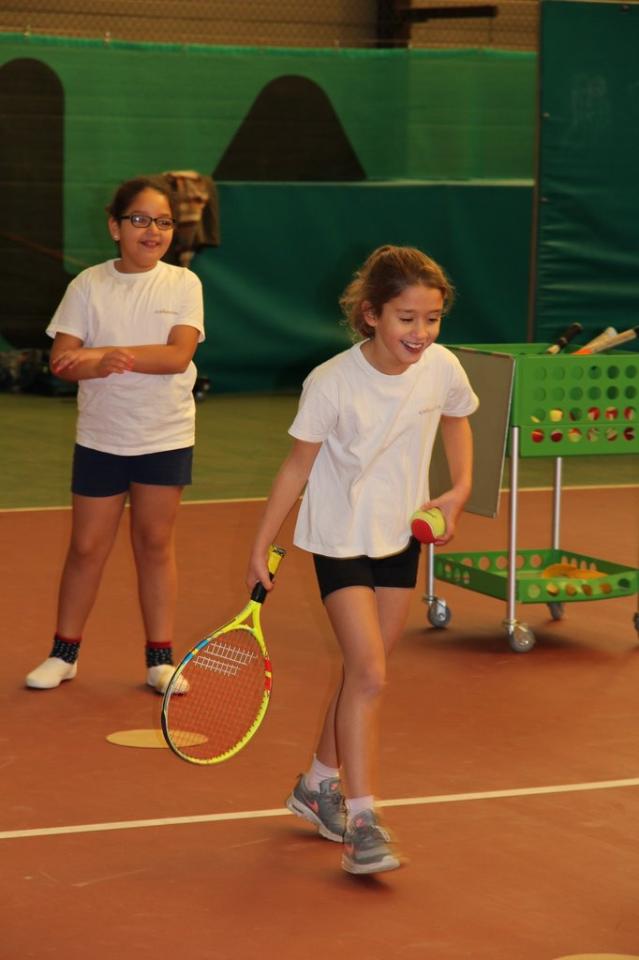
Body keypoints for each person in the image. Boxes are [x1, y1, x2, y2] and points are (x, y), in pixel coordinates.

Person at [246, 245, 478, 875]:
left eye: (432, 318)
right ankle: (363, 824)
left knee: (363, 674)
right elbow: (297, 465)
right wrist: (261, 544)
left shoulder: (442, 367)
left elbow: (458, 419)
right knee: (371, 675)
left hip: (401, 537)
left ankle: (318, 785)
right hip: (339, 539)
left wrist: (457, 491)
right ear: (372, 314)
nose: (421, 332)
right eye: (407, 318)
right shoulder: (332, 382)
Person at [25, 176, 205, 694]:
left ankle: (160, 661)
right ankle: (63, 654)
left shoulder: (184, 284)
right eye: (140, 220)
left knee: (155, 543)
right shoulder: (87, 285)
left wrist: (104, 355)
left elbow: (178, 356)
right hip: (101, 438)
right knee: (86, 547)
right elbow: (63, 360)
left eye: (164, 222)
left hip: (165, 436)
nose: (153, 231)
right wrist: (92, 363)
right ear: (115, 227)